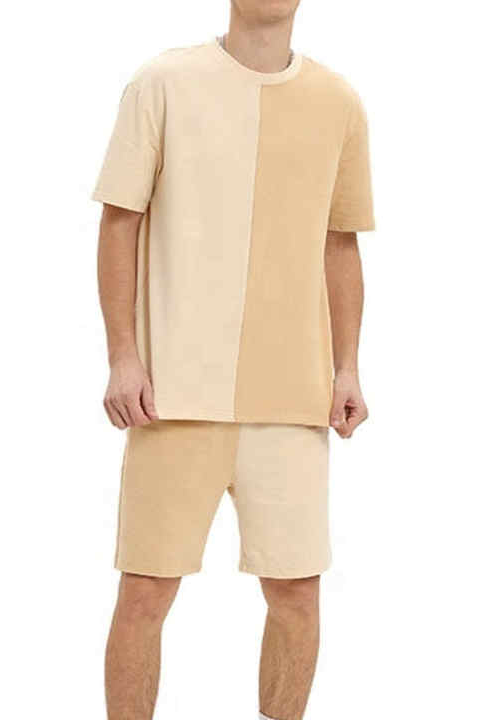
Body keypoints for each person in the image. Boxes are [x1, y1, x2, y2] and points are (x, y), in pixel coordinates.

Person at [93, 1, 374, 717]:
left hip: (292, 399)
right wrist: (123, 357)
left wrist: (347, 367)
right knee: (145, 592)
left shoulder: (338, 101)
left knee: (297, 596)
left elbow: (340, 242)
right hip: (173, 397)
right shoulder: (162, 82)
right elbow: (119, 221)